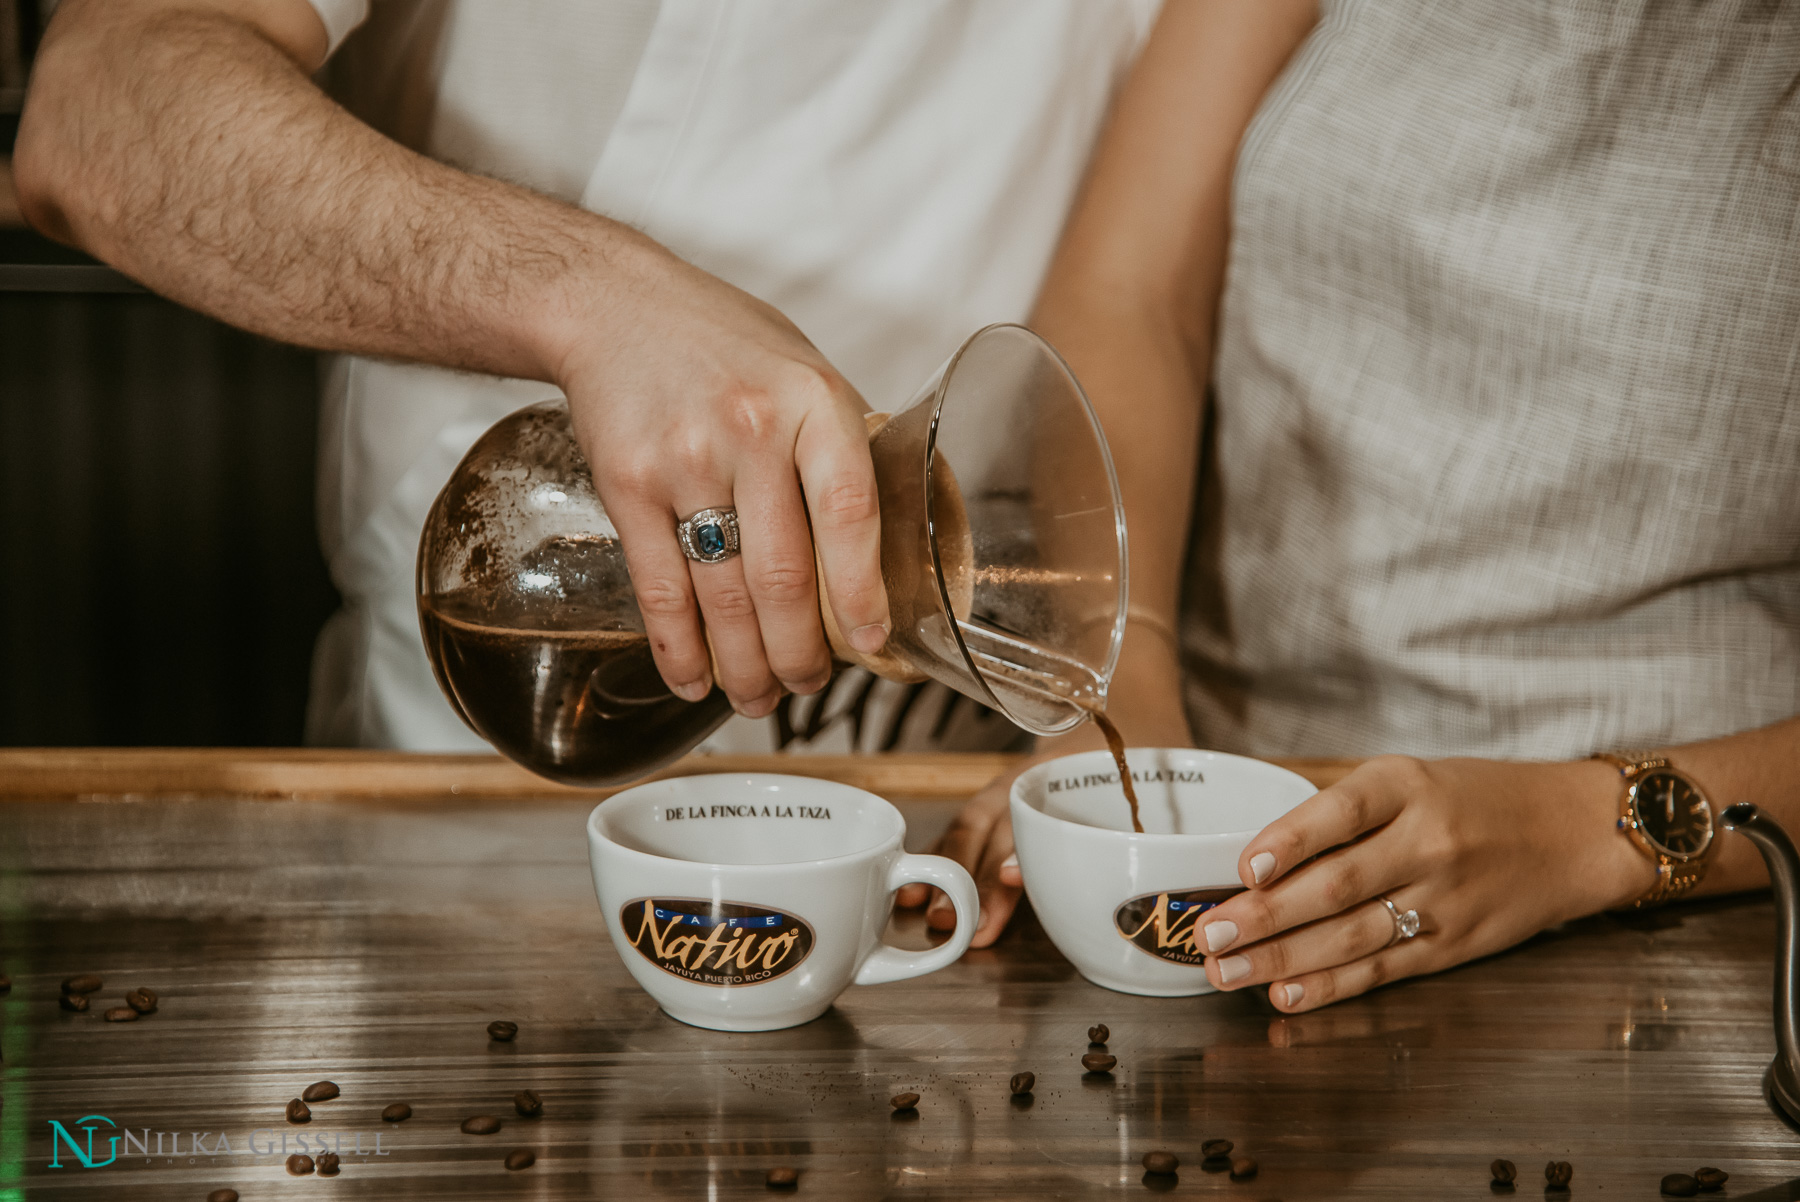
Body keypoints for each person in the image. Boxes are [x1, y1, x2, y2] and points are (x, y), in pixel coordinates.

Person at [905, 0, 1800, 1012]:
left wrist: (1601, 830)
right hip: (1229, 777)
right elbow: (1131, 292)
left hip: (1694, 895)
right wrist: (1125, 679)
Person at [13, 0, 1158, 753]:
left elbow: (1138, 303)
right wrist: (596, 302)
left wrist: (1120, 668)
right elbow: (105, 110)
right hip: (517, 713)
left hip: (945, 757)